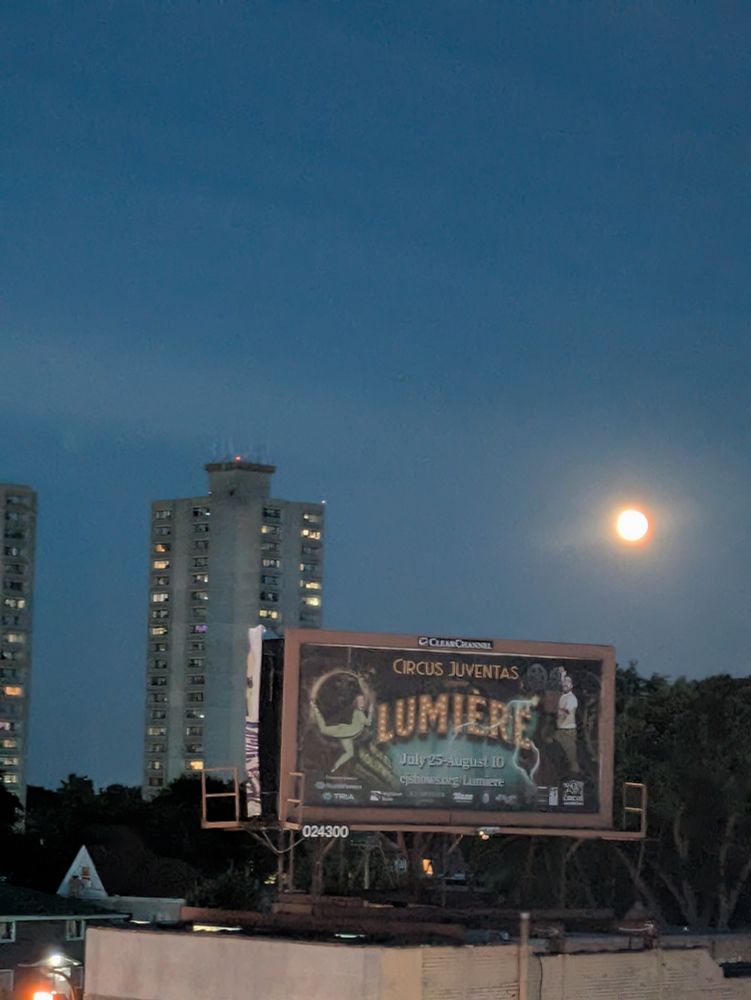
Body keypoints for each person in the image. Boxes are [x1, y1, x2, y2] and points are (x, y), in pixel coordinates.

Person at [311, 692, 373, 773]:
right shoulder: (359, 713)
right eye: (359, 701)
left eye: (363, 701)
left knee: (350, 753)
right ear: (356, 703)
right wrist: (371, 712)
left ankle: (335, 766)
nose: (362, 703)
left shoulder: (360, 713)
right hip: (343, 731)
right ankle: (315, 709)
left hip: (348, 737)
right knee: (323, 729)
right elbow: (368, 722)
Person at [554, 673, 580, 774]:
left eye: (568, 682)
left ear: (572, 685)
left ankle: (575, 779)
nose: (565, 683)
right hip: (559, 732)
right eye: (564, 681)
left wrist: (557, 723)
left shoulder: (572, 699)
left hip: (568, 732)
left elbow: (563, 714)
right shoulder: (562, 696)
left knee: (571, 761)